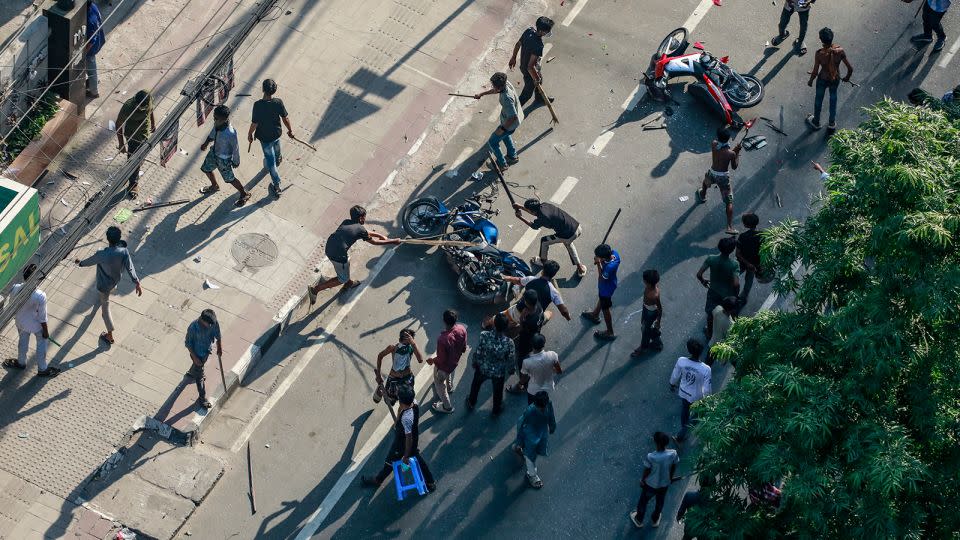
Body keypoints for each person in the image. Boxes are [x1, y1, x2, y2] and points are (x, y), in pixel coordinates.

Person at [307, 205, 400, 304]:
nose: (365, 218)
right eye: (364, 216)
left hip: (329, 248)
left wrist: (380, 235)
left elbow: (363, 231)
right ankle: (315, 290)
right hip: (338, 255)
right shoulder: (360, 229)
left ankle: (349, 283)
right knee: (342, 278)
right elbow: (374, 242)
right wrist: (393, 241)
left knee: (346, 263)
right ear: (361, 218)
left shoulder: (346, 222)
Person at [362, 385, 437, 492]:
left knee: (390, 461)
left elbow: (408, 438)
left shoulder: (406, 418)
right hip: (413, 439)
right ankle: (430, 481)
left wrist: (406, 456)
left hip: (402, 443)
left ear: (401, 401)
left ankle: (378, 480)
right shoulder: (414, 403)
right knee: (418, 458)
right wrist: (385, 393)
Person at [75, 226, 142, 345]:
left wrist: (79, 263)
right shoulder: (124, 251)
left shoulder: (102, 253)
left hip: (103, 286)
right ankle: (110, 293)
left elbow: (88, 262)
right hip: (115, 281)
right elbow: (130, 268)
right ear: (119, 238)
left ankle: (109, 335)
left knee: (105, 309)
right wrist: (137, 282)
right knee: (109, 291)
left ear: (107, 239)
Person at [4, 264, 58, 377]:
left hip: (20, 323)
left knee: (22, 342)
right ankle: (42, 369)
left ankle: (21, 362)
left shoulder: (15, 288)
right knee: (41, 344)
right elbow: (42, 318)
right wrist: (46, 331)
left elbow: (11, 305)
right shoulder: (40, 295)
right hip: (36, 326)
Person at [514, 199, 587, 276]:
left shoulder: (544, 217)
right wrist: (520, 207)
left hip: (568, 234)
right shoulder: (545, 205)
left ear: (532, 211)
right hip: (576, 227)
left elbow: (534, 226)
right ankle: (580, 268)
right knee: (568, 243)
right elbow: (535, 212)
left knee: (544, 241)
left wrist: (520, 217)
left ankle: (543, 261)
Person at [248, 79, 294, 199]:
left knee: (271, 163)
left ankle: (277, 185)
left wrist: (250, 134)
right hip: (276, 134)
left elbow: (254, 123)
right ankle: (278, 158)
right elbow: (285, 118)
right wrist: (290, 130)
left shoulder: (257, 105)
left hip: (265, 138)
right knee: (277, 149)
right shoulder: (278, 102)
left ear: (263, 89)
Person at [199, 105, 251, 207]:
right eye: (214, 117)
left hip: (224, 160)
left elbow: (235, 148)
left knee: (230, 179)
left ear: (224, 119)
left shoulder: (231, 133)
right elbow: (212, 134)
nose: (214, 120)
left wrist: (236, 161)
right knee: (206, 169)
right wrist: (206, 143)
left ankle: (244, 193)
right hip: (214, 153)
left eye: (216, 118)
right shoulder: (218, 124)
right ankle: (214, 186)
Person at [465, 313, 516, 416]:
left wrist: (475, 362)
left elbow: (478, 351)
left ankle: (471, 402)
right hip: (498, 372)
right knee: (498, 392)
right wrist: (511, 369)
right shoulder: (509, 342)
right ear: (506, 327)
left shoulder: (484, 335)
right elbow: (511, 359)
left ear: (494, 324)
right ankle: (496, 409)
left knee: (475, 386)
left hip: (482, 368)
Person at [806, 27, 853, 131]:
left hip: (822, 79)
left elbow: (815, 71)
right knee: (833, 99)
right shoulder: (840, 51)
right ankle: (831, 123)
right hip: (835, 79)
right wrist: (846, 77)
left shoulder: (819, 53)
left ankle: (816, 121)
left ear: (821, 40)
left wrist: (810, 81)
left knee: (818, 100)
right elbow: (850, 68)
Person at [473, 72, 523, 171]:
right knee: (505, 137)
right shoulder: (505, 84)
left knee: (492, 142)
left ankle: (502, 164)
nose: (493, 87)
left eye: (494, 86)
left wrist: (502, 128)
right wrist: (482, 94)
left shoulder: (507, 98)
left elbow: (513, 117)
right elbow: (495, 91)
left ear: (499, 87)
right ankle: (512, 156)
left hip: (509, 124)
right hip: (507, 122)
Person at [696, 127, 742, 235]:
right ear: (729, 138)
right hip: (723, 177)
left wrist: (734, 151)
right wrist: (737, 152)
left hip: (713, 172)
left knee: (705, 182)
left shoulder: (714, 144)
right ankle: (729, 227)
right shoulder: (731, 154)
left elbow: (722, 154)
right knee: (729, 201)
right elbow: (734, 166)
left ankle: (702, 195)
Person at [629, 431, 679, 528]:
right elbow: (674, 466)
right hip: (664, 484)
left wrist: (642, 480)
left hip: (651, 485)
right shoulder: (673, 453)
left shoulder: (651, 457)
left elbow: (647, 470)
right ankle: (655, 519)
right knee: (660, 501)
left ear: (657, 443)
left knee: (643, 502)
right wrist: (670, 477)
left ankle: (639, 519)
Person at [501, 259, 572, 324]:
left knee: (501, 316)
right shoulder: (554, 292)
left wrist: (507, 278)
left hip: (516, 312)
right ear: (553, 275)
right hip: (534, 320)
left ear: (542, 271)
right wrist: (568, 318)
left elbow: (518, 280)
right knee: (549, 313)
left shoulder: (531, 279)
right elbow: (564, 311)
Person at [697, 237, 740, 340]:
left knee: (710, 314)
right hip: (727, 294)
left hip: (713, 291)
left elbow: (699, 274)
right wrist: (736, 295)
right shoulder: (734, 264)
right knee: (728, 314)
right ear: (732, 250)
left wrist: (703, 281)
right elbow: (736, 284)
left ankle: (709, 332)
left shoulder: (711, 258)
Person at [116, 90, 156, 199]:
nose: (141, 109)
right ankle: (133, 184)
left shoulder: (148, 100)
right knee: (134, 161)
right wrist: (121, 144)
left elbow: (151, 110)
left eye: (143, 107)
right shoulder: (127, 107)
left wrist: (153, 123)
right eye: (139, 107)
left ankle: (134, 167)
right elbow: (118, 124)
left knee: (139, 159)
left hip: (145, 135)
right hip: (132, 136)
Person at [669, 339, 712, 441]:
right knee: (696, 414)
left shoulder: (681, 361)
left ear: (689, 350)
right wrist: (708, 400)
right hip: (696, 396)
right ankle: (684, 431)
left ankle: (684, 427)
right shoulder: (706, 369)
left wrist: (672, 384)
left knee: (685, 409)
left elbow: (675, 375)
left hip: (684, 392)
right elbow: (706, 389)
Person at [512, 390, 556, 489]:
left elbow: (551, 415)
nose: (542, 408)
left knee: (534, 452)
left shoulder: (548, 404)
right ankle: (532, 475)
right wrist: (519, 440)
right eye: (540, 407)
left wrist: (552, 426)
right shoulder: (530, 411)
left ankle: (517, 447)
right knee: (530, 456)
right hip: (530, 436)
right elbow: (521, 426)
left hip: (540, 434)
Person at [426, 309, 467, 414]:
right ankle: (449, 387)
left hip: (443, 368)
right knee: (449, 373)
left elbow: (441, 359)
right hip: (454, 362)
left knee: (439, 384)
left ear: (444, 321)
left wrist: (432, 360)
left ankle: (447, 406)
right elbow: (464, 347)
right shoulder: (462, 329)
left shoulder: (442, 339)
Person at [508, 16, 555, 107]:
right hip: (529, 71)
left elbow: (518, 44)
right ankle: (514, 111)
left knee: (540, 79)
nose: (548, 33)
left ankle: (539, 98)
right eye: (547, 31)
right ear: (542, 31)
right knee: (527, 94)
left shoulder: (529, 31)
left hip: (524, 66)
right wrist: (536, 78)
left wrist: (513, 58)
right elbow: (530, 67)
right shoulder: (538, 45)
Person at [373, 329, 424, 407]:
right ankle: (381, 390)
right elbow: (380, 356)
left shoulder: (411, 348)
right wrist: (378, 375)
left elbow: (420, 360)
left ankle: (402, 413)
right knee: (389, 402)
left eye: (407, 337)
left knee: (406, 401)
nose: (403, 339)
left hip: (407, 378)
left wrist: (413, 344)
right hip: (394, 378)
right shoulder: (392, 348)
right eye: (402, 337)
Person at [581, 243, 620, 341]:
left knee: (605, 309)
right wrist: (600, 261)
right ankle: (595, 314)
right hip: (609, 285)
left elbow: (602, 278)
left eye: (599, 256)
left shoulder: (609, 267)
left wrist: (598, 263)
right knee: (602, 300)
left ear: (603, 258)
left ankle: (610, 332)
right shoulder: (615, 254)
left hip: (606, 288)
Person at [185, 309, 222, 410]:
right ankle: (202, 398)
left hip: (206, 352)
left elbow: (218, 335)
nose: (211, 326)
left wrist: (219, 347)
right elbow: (188, 344)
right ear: (202, 320)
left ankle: (192, 372)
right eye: (209, 324)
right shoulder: (193, 328)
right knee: (199, 376)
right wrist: (195, 358)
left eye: (212, 324)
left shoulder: (213, 323)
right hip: (196, 355)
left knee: (198, 369)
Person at [519, 334, 562, 403]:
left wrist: (520, 384)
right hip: (548, 387)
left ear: (532, 346)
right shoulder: (552, 355)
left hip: (533, 390)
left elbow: (524, 378)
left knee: (532, 406)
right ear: (543, 345)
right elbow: (559, 371)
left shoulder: (527, 362)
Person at [632, 269, 664, 357]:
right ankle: (656, 341)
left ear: (648, 283)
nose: (643, 281)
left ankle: (644, 347)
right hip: (646, 309)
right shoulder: (650, 287)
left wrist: (658, 321)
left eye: (644, 281)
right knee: (644, 326)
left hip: (651, 312)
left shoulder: (654, 295)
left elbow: (660, 308)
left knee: (645, 330)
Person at [736, 212, 763, 306]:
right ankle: (744, 296)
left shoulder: (742, 237)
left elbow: (738, 254)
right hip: (754, 264)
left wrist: (747, 263)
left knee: (734, 275)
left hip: (743, 263)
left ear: (745, 225)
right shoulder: (763, 235)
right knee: (749, 280)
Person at [706, 296, 738, 365]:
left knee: (708, 361)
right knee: (734, 361)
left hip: (713, 340)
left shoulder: (717, 309)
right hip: (720, 346)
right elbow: (730, 339)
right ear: (731, 310)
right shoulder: (730, 324)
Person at [85, 1, 106, 99]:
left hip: (91, 49)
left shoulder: (89, 20)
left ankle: (94, 92)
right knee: (89, 68)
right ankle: (92, 81)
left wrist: (82, 54)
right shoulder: (93, 6)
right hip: (99, 40)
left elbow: (91, 41)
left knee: (91, 69)